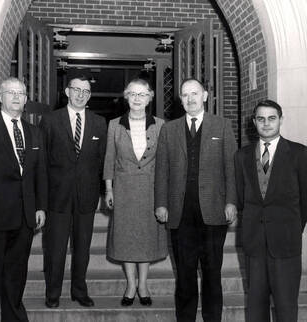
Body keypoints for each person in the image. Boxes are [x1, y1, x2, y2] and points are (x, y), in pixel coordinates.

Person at [155, 78, 238, 322]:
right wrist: (161, 203)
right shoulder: (168, 129)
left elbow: (231, 168)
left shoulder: (222, 126)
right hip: (180, 213)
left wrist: (231, 201)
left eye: (195, 93)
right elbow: (162, 170)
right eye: (185, 95)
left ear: (205, 95)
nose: (190, 99)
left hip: (213, 211)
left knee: (212, 273)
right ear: (180, 99)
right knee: (185, 274)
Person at [0, 77, 48, 322]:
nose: (16, 97)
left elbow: (40, 173)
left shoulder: (34, 132)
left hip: (25, 216)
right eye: (11, 92)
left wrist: (40, 207)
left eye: (21, 93)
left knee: (17, 273)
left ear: (26, 99)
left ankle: (14, 316)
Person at [234, 100, 307, 322]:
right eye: (261, 119)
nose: (266, 124)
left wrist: (292, 227)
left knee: (286, 307)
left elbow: (305, 199)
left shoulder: (299, 153)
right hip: (254, 242)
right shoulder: (242, 156)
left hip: (286, 241)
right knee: (256, 308)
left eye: (272, 118)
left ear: (281, 120)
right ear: (254, 122)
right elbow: (240, 197)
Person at [41, 75, 107, 308]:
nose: (80, 94)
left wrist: (101, 191)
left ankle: (79, 291)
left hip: (86, 197)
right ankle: (53, 293)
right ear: (67, 92)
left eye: (86, 91)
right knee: (55, 250)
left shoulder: (99, 123)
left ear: (89, 96)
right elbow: (43, 160)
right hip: (57, 196)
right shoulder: (49, 120)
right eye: (76, 90)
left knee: (83, 249)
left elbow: (101, 161)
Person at [103, 78, 167, 306]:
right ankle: (131, 285)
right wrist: (109, 189)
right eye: (133, 94)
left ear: (150, 97)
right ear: (126, 97)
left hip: (151, 189)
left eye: (142, 94)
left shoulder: (161, 125)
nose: (138, 99)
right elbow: (109, 158)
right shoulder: (114, 125)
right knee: (126, 238)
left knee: (146, 238)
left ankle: (143, 284)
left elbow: (165, 162)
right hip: (124, 189)